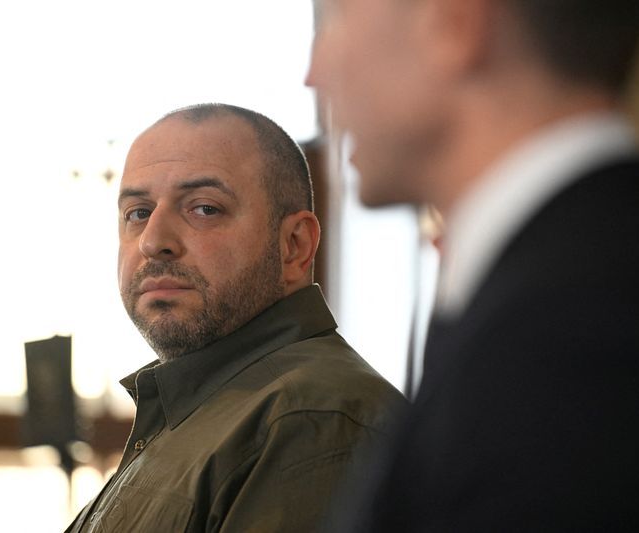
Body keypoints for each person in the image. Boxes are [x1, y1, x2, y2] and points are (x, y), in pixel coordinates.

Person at [307, 0, 639, 530]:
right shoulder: (584, 294)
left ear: (454, 22)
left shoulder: (590, 346)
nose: (314, 73)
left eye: (340, 15)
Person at [65, 103, 405, 532]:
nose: (153, 241)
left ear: (294, 245)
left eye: (204, 208)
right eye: (138, 212)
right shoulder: (201, 408)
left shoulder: (312, 417)